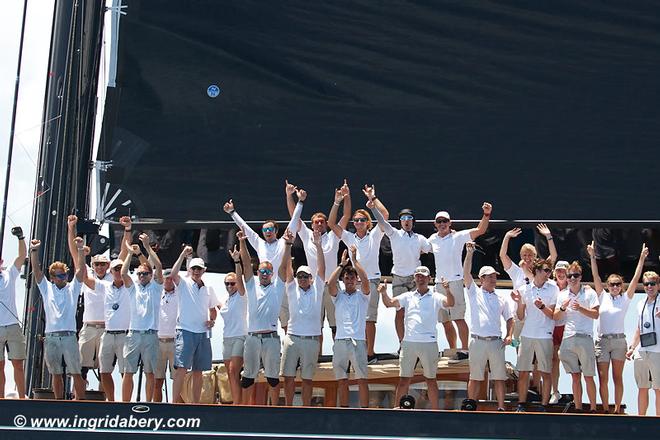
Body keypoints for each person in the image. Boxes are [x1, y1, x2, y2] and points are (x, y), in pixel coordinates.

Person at [223, 188, 303, 331]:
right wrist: (232, 212)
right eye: (265, 230)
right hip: (263, 286)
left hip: (281, 285)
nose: (267, 232)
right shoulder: (259, 243)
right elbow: (245, 228)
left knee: (287, 325)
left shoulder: (283, 240)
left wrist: (300, 202)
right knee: (262, 322)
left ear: (276, 231)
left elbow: (294, 220)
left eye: (270, 229)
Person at [67, 215, 134, 386]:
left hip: (108, 328)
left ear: (108, 265)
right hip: (89, 327)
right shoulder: (87, 274)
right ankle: (79, 397)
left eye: (103, 264)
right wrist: (71, 228)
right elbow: (75, 254)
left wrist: (127, 230)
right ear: (93, 265)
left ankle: (103, 398)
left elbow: (124, 253)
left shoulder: (114, 276)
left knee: (106, 368)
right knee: (81, 366)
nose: (100, 267)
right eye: (97, 264)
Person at [380, 266, 454, 409]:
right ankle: (397, 409)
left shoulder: (436, 296)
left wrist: (448, 290)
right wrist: (383, 293)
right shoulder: (407, 296)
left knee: (431, 380)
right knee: (403, 380)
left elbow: (450, 303)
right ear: (415, 278)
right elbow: (389, 303)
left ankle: (435, 411)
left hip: (429, 342)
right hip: (409, 342)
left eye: (423, 276)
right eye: (418, 276)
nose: (420, 279)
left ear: (429, 279)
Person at [329, 184, 388, 364]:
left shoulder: (375, 234)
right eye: (356, 220)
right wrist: (337, 202)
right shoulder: (349, 237)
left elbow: (384, 216)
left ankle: (369, 354)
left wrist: (372, 198)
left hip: (371, 280)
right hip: (353, 281)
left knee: (370, 319)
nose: (358, 222)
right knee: (354, 318)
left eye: (362, 220)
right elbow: (332, 224)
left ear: (368, 222)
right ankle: (355, 351)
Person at [286, 180, 350, 341]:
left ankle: (338, 355)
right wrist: (289, 196)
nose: (319, 224)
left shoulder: (333, 235)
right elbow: (294, 217)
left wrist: (346, 197)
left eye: (322, 222)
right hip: (314, 287)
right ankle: (317, 356)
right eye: (316, 222)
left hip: (332, 285)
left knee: (337, 325)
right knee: (316, 325)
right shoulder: (306, 234)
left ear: (326, 225)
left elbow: (346, 216)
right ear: (312, 224)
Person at [588, 242, 647, 413]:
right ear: (607, 286)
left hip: (619, 341)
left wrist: (642, 258)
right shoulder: (602, 296)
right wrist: (592, 255)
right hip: (603, 341)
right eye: (612, 284)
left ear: (621, 286)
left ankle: (616, 409)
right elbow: (595, 276)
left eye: (618, 284)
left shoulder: (625, 299)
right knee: (603, 377)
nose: (615, 287)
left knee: (617, 377)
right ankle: (605, 408)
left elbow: (636, 279)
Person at [428, 202, 492, 350]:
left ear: (450, 223)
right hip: (439, 284)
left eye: (445, 221)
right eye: (439, 221)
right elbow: (417, 250)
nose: (442, 224)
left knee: (458, 318)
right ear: (435, 224)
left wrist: (486, 214)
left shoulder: (459, 236)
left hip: (455, 282)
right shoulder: (431, 239)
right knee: (445, 320)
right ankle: (453, 349)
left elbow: (480, 230)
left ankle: (464, 350)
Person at [239, 229, 292, 406]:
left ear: (271, 273)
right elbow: (246, 265)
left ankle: (275, 408)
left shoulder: (277, 287)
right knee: (247, 376)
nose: (263, 274)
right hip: (253, 338)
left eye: (267, 271)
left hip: (271, 338)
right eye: (261, 271)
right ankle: (245, 408)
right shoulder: (252, 285)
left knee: (272, 377)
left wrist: (288, 245)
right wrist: (242, 242)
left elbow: (284, 267)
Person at [368, 198, 431, 345]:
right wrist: (372, 206)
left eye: (409, 218)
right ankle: (402, 344)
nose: (406, 221)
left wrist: (451, 233)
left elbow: (433, 247)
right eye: (403, 218)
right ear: (400, 221)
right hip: (399, 278)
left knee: (417, 311)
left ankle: (417, 340)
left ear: (413, 221)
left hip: (417, 279)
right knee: (400, 312)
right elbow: (382, 222)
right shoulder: (394, 233)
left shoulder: (420, 238)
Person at [30, 237, 86, 399]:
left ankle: (81, 402)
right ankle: (59, 402)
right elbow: (37, 271)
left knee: (76, 372)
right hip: (52, 337)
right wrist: (34, 250)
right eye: (60, 276)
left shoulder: (73, 288)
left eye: (65, 274)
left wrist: (81, 249)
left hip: (69, 336)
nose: (64, 278)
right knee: (55, 373)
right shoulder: (47, 287)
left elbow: (81, 271)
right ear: (53, 277)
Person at [462, 243, 513, 411]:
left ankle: (500, 407)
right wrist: (469, 254)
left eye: (494, 276)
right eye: (490, 277)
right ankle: (470, 405)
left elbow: (510, 319)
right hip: (477, 341)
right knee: (475, 377)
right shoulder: (474, 292)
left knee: (499, 377)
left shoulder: (502, 298)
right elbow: (466, 273)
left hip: (496, 342)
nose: (493, 279)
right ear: (482, 279)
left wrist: (509, 335)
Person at [281, 230, 326, 406]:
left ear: (311, 278)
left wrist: (318, 246)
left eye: (305, 276)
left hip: (311, 340)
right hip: (292, 338)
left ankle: (306, 408)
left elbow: (322, 268)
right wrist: (288, 246)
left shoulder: (318, 288)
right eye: (299, 276)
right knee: (288, 376)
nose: (301, 279)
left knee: (307, 378)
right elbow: (287, 269)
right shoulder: (292, 288)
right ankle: (288, 407)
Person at [170, 247, 220, 404]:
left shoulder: (209, 288)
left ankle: (195, 404)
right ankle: (174, 403)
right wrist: (182, 254)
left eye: (199, 269)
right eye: (193, 268)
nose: (196, 271)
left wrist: (212, 321)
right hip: (185, 331)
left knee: (199, 371)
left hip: (202, 334)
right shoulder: (183, 283)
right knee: (181, 370)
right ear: (189, 269)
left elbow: (213, 310)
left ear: (204, 270)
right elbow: (172, 274)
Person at [510, 258, 559, 411]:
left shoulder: (553, 288)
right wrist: (518, 302)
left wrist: (542, 306)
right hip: (527, 334)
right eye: (546, 270)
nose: (548, 274)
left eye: (550, 271)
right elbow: (520, 315)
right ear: (536, 271)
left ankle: (544, 405)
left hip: (545, 334)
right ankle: (521, 404)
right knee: (524, 371)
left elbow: (552, 315)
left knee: (545, 371)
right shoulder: (524, 289)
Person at [120, 235, 164, 402]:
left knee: (150, 372)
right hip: (133, 334)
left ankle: (148, 404)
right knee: (128, 371)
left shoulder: (156, 287)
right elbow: (123, 273)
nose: (142, 276)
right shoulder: (133, 288)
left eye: (145, 273)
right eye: (140, 274)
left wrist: (146, 246)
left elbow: (158, 266)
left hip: (151, 334)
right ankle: (125, 403)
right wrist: (130, 254)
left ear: (150, 275)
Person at [328, 246, 371, 408]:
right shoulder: (338, 296)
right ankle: (344, 409)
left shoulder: (363, 296)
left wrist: (355, 260)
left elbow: (366, 280)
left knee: (362, 379)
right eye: (347, 277)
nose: (350, 280)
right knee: (341, 380)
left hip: (358, 341)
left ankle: (365, 410)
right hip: (340, 341)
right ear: (344, 280)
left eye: (353, 277)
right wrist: (341, 264)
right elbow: (330, 284)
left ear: (356, 280)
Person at [554, 262, 600, 412]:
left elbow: (595, 314)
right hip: (568, 338)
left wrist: (580, 308)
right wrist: (562, 307)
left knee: (588, 376)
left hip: (585, 337)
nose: (572, 278)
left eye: (576, 275)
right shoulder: (562, 295)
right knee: (575, 376)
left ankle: (593, 408)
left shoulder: (589, 293)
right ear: (566, 278)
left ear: (580, 277)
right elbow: (556, 317)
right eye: (570, 276)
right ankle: (578, 408)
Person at [218, 239, 247, 405]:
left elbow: (241, 281)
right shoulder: (226, 300)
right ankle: (236, 401)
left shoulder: (242, 296)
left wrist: (237, 261)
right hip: (226, 337)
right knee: (230, 373)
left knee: (234, 370)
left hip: (239, 336)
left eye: (232, 283)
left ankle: (237, 405)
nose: (230, 286)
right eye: (227, 283)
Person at [0, 226, 27, 398]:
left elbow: (21, 257)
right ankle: (1, 398)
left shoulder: (9, 272)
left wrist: (20, 238)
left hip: (12, 325)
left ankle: (22, 397)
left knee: (18, 363)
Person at [633, 271, 660, 416]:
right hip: (642, 349)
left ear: (658, 285)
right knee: (642, 386)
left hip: (658, 350)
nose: (650, 287)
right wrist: (632, 346)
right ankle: (641, 419)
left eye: (653, 284)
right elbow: (639, 327)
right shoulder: (639, 303)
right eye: (647, 284)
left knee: (658, 388)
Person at [154, 268, 177, 402]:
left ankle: (179, 412)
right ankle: (157, 411)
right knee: (157, 381)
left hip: (175, 341)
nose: (168, 280)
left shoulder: (181, 292)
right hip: (158, 341)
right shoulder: (156, 292)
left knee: (179, 380)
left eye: (170, 278)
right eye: (166, 278)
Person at [549, 260, 569, 404]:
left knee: (573, 360)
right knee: (553, 360)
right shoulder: (550, 286)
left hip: (568, 328)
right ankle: (554, 391)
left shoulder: (575, 287)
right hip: (552, 327)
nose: (561, 273)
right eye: (558, 271)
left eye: (564, 271)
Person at [627, 328, 655, 415]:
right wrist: (632, 348)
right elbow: (639, 329)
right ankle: (641, 419)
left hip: (657, 353)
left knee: (658, 389)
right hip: (641, 353)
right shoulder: (642, 313)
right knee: (643, 388)